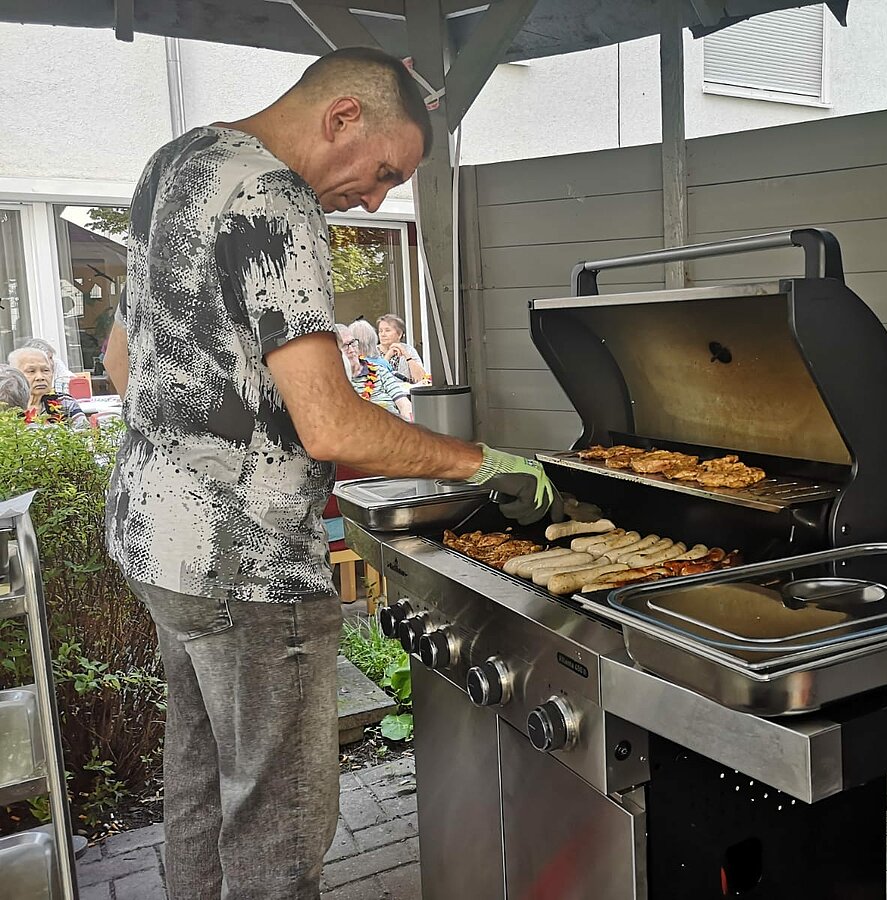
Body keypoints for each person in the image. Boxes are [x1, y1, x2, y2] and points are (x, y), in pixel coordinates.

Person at [100, 47, 580, 900]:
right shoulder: (277, 199)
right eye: (385, 170)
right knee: (278, 832)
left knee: (202, 790)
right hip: (245, 571)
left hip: (153, 543)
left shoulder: (174, 164)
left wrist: (206, 450)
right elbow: (328, 423)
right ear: (343, 117)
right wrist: (482, 461)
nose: (377, 197)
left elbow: (120, 361)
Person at [337, 323, 413, 420]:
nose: (351, 350)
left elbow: (404, 404)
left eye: (353, 343)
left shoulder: (380, 371)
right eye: (344, 346)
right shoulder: (335, 380)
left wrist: (409, 423)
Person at [8, 348, 88, 428]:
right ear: (15, 375)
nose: (40, 377)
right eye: (31, 371)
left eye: (45, 370)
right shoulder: (7, 406)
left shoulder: (64, 401)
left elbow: (85, 433)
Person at [377, 312, 429, 384]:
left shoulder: (409, 350)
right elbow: (373, 380)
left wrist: (406, 354)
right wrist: (388, 356)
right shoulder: (372, 352)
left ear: (399, 334)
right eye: (380, 331)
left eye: (387, 330)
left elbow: (421, 378)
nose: (383, 334)